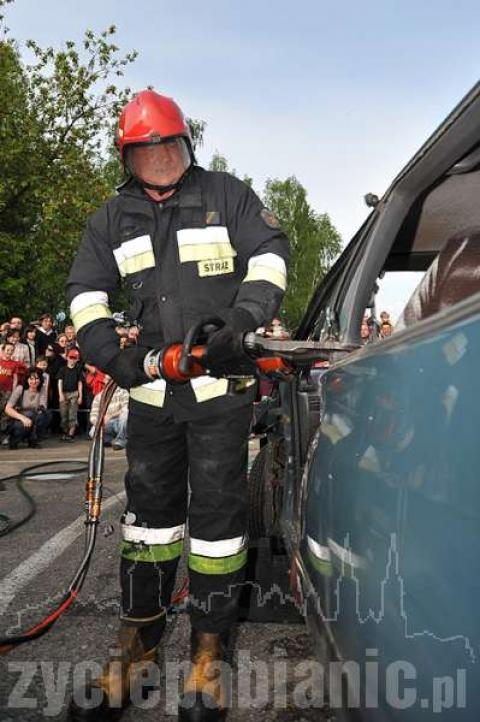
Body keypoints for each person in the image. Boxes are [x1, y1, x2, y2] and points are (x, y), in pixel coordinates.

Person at [66, 89, 289, 721]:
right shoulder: (111, 219)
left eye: (169, 144)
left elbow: (271, 257)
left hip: (220, 394)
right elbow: (85, 296)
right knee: (148, 522)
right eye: (146, 149)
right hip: (153, 395)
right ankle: (136, 651)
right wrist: (125, 359)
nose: (160, 157)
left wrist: (240, 324)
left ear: (186, 144)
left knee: (218, 525)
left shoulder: (226, 195)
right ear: (128, 158)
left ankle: (208, 656)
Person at [4, 368, 49, 449]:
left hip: (33, 416)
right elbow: (8, 409)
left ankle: (33, 440)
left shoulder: (42, 389)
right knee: (26, 418)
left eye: (37, 378)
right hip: (18, 418)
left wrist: (39, 411)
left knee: (45, 416)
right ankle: (14, 440)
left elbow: (43, 406)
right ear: (27, 379)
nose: (34, 381)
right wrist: (23, 418)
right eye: (31, 379)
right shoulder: (20, 389)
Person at [89, 379, 129, 449]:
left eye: (110, 380)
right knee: (92, 432)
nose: (108, 382)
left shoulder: (123, 392)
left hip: (118, 422)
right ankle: (112, 441)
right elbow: (93, 416)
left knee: (125, 414)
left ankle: (121, 440)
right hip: (107, 424)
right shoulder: (99, 396)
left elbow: (126, 408)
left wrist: (111, 416)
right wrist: (100, 422)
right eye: (107, 380)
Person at [57, 348, 83, 441]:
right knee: (63, 414)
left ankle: (71, 433)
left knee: (73, 413)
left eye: (74, 358)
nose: (72, 360)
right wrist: (60, 394)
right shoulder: (63, 369)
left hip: (74, 393)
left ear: (77, 359)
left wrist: (80, 396)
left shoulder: (78, 369)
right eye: (71, 357)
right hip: (64, 393)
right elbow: (60, 382)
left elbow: (80, 383)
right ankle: (65, 431)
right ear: (67, 358)